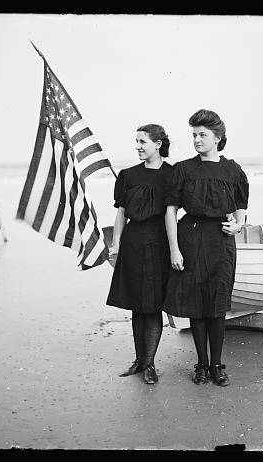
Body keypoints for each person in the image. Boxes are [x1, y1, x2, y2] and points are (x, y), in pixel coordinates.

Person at [163, 109, 249, 386]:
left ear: (218, 138)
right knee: (197, 305)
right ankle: (201, 363)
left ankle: (217, 365)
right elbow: (171, 211)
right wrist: (174, 249)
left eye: (203, 135)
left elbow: (241, 206)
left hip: (222, 241)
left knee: (217, 304)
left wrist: (238, 225)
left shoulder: (232, 170)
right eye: (194, 135)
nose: (197, 140)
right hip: (191, 237)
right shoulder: (183, 169)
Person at [106, 124, 173, 385]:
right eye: (136, 141)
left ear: (158, 144)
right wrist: (117, 243)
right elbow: (121, 212)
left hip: (159, 242)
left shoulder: (172, 174)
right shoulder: (127, 175)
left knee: (152, 304)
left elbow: (173, 214)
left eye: (143, 141)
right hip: (133, 242)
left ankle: (150, 364)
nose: (138, 146)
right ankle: (139, 360)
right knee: (137, 304)